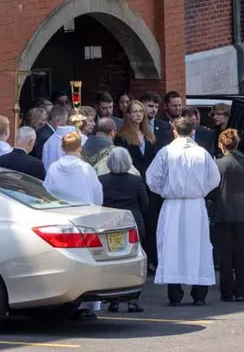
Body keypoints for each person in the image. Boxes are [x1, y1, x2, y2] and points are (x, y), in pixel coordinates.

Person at [145, 116, 220, 306]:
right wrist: (201, 191)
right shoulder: (202, 153)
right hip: (195, 204)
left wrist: (164, 191)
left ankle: (175, 294)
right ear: (192, 132)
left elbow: (152, 178)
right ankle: (199, 294)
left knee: (173, 246)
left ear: (174, 131)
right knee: (198, 246)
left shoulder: (166, 152)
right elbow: (214, 179)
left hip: (174, 204)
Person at [44, 132, 103, 321]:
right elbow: (97, 193)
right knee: (88, 259)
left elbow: (47, 191)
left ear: (62, 147)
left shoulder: (53, 168)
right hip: (84, 219)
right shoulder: (86, 169)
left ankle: (61, 299)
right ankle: (88, 303)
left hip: (61, 218)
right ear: (80, 147)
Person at [99, 147, 149, 313]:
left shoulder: (102, 180)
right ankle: (132, 300)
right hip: (132, 222)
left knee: (112, 263)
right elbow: (145, 203)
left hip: (110, 223)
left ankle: (113, 299)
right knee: (134, 263)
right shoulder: (136, 181)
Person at [210, 128, 244, 302]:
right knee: (241, 252)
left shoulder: (218, 165)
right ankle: (241, 291)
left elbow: (212, 190)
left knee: (225, 253)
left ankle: (227, 292)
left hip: (222, 211)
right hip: (243, 211)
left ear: (221, 145)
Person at [117, 100, 160, 272]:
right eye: (134, 111)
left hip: (150, 184)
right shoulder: (122, 136)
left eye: (140, 112)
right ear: (128, 114)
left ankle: (153, 259)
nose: (138, 115)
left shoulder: (148, 135)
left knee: (152, 222)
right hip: (134, 182)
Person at [42, 105, 81, 170]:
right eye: (65, 122)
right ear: (57, 121)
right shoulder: (47, 138)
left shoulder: (50, 136)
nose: (66, 125)